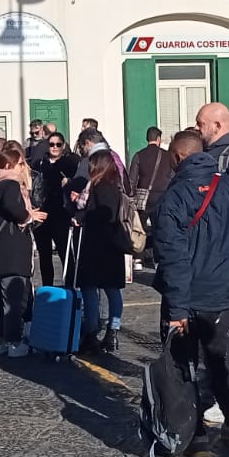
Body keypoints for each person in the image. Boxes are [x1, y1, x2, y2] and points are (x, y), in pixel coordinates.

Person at [155, 129, 229, 454]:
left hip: (188, 296)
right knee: (219, 360)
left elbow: (172, 257)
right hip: (222, 294)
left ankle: (195, 435)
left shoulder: (175, 197)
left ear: (179, 157)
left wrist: (178, 309)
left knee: (184, 364)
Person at [0, 142, 46, 357]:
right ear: (10, 165)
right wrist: (28, 216)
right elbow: (12, 208)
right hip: (11, 248)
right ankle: (14, 342)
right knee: (13, 297)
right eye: (19, 163)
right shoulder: (9, 184)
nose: (22, 167)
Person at [74, 150, 129, 353]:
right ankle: (112, 332)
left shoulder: (100, 188)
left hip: (97, 246)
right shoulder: (114, 187)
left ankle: (91, 332)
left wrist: (83, 216)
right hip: (112, 246)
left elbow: (100, 216)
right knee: (112, 289)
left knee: (90, 289)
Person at [34, 131, 79, 285]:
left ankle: (70, 286)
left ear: (63, 146)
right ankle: (48, 286)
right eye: (51, 144)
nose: (54, 147)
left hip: (61, 213)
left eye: (58, 144)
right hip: (42, 213)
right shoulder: (40, 164)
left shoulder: (70, 164)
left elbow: (79, 185)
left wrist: (69, 183)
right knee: (44, 254)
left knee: (65, 252)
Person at [126, 128, 173, 262]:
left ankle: (138, 259)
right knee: (159, 229)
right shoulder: (167, 156)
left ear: (147, 139)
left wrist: (131, 196)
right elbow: (172, 176)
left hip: (143, 199)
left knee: (139, 229)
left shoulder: (139, 155)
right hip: (161, 197)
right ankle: (158, 259)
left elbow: (132, 180)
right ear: (159, 139)